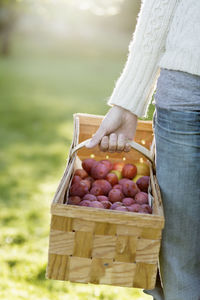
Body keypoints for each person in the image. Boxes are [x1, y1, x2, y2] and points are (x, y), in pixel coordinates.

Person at [85, 0, 200, 299]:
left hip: (187, 91)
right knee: (179, 259)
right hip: (188, 92)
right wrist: (128, 100)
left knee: (181, 263)